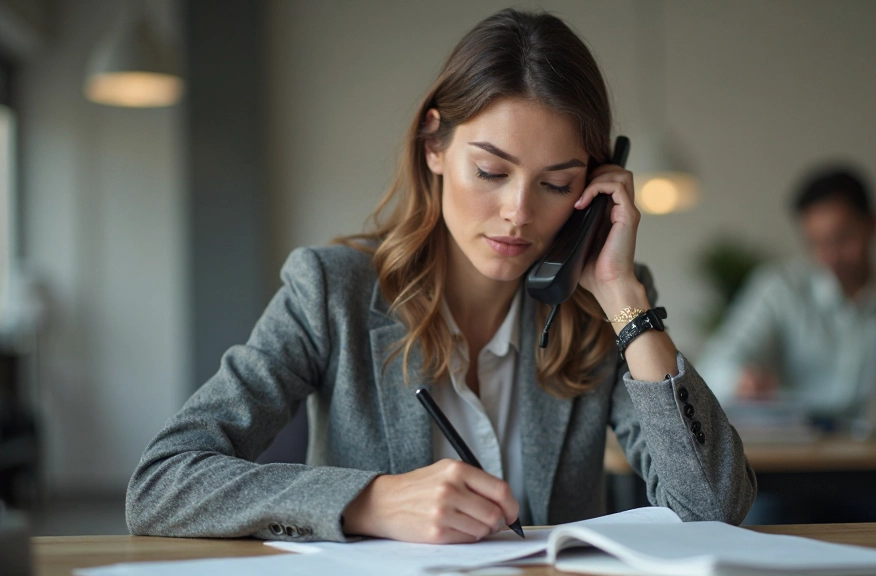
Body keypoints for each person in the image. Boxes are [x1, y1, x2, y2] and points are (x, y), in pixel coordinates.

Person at [126, 9, 756, 544]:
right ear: (434, 145)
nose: (518, 211)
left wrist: (624, 300)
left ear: (590, 191)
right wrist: (370, 501)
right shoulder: (330, 292)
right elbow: (161, 483)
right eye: (491, 172)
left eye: (556, 184)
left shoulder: (604, 309)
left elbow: (714, 508)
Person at [699, 167, 876, 420]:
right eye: (817, 243)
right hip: (798, 441)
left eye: (843, 238)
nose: (831, 256)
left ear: (875, 225)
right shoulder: (780, 289)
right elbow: (715, 363)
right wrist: (740, 380)